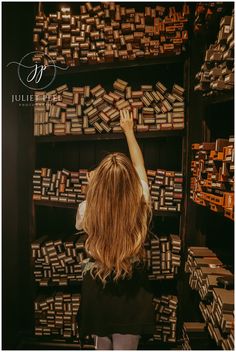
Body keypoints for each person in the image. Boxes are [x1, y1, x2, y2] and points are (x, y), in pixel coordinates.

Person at [75, 109, 156, 350]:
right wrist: (129, 131)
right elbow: (139, 166)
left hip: (98, 287)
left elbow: (93, 206)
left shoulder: (87, 208)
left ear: (97, 185)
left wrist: (92, 189)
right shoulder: (141, 200)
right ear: (131, 183)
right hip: (131, 288)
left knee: (102, 347)